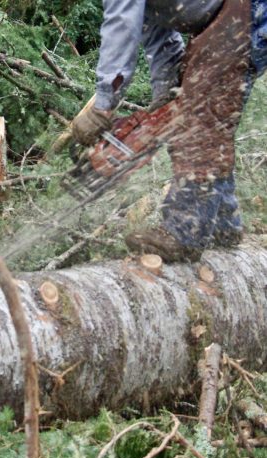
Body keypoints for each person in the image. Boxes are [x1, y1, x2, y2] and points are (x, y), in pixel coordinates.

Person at [71, 0, 267, 262]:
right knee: (205, 118)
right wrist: (167, 96)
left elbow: (122, 26)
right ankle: (223, 224)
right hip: (232, 17)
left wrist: (104, 105)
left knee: (200, 121)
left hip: (248, 12)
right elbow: (157, 34)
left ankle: (184, 232)